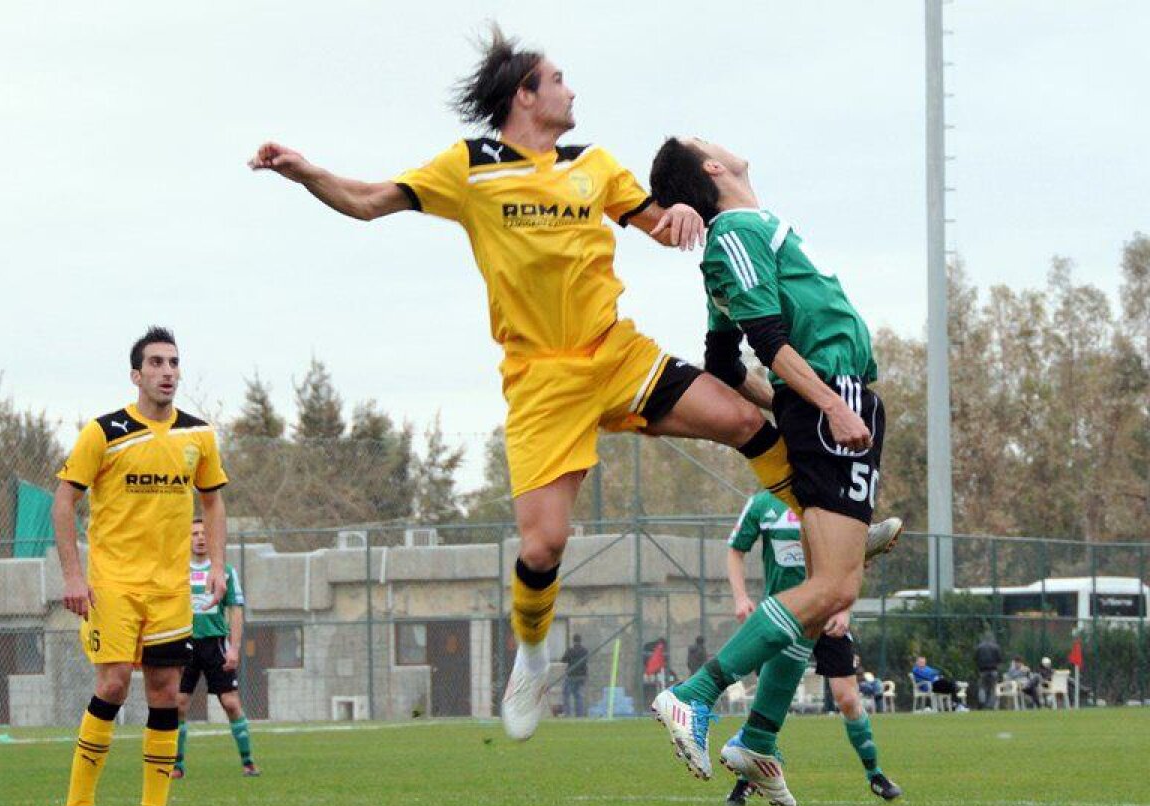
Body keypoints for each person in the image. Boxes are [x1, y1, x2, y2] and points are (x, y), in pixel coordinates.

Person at [249, 26, 808, 743]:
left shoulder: (595, 164)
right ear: (526, 95)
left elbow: (660, 228)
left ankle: (828, 533)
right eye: (559, 79)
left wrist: (683, 212)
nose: (572, 90)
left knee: (744, 421)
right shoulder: (470, 168)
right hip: (541, 380)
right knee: (544, 546)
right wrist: (305, 171)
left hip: (614, 353)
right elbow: (367, 201)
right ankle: (532, 654)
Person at [646, 136, 903, 793]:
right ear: (711, 167)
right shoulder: (736, 230)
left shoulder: (741, 237)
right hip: (835, 397)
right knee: (832, 590)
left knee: (825, 594)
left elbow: (726, 363)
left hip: (827, 400)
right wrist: (824, 404)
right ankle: (694, 695)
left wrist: (792, 402)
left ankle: (758, 739)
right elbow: (764, 342)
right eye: (708, 141)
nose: (722, 142)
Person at [52, 327, 228, 806]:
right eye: (156, 362)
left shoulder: (199, 436)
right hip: (113, 585)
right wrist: (73, 576)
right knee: (110, 686)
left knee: (165, 696)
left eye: (174, 362)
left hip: (170, 590)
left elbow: (214, 503)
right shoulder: (103, 433)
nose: (167, 371)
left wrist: (216, 565)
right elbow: (64, 502)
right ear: (137, 374)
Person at [721, 490, 902, 806]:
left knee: (847, 698)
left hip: (828, 613)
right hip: (782, 616)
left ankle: (875, 773)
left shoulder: (827, 497)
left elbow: (853, 563)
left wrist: (844, 609)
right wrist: (740, 598)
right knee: (769, 700)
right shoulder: (762, 503)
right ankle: (747, 780)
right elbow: (736, 550)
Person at [172, 519, 258, 779]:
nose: (200, 538)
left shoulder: (225, 572)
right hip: (185, 643)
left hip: (215, 644)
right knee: (179, 705)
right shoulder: (176, 572)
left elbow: (236, 610)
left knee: (231, 703)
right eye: (194, 533)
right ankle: (177, 765)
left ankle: (248, 761)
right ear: (186, 539)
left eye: (204, 533)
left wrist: (234, 648)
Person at [560, 634, 589, 718]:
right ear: (580, 640)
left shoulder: (570, 650)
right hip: (582, 676)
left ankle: (567, 713)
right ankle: (579, 714)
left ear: (573, 641)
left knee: (566, 694)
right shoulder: (585, 651)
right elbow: (586, 661)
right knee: (578, 695)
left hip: (571, 675)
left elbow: (563, 660)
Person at [975, 631, 1003, 709]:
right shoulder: (996, 647)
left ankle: (982, 703)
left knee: (982, 687)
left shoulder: (979, 647)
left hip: (982, 670)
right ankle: (990, 706)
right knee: (992, 688)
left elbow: (975, 659)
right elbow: (1000, 659)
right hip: (993, 670)